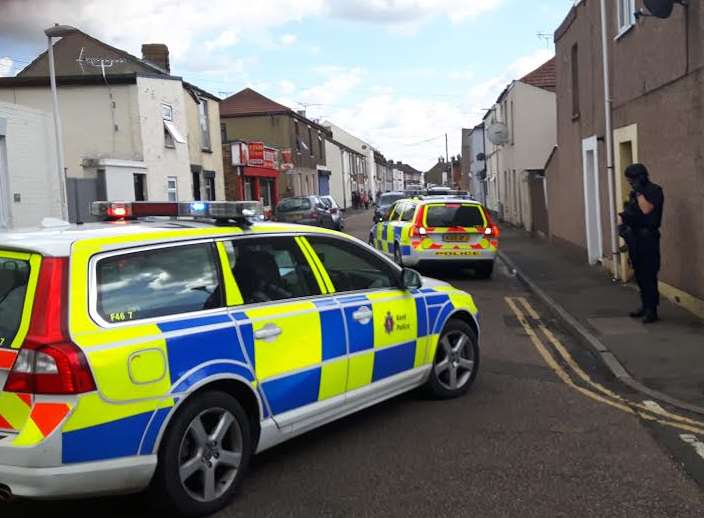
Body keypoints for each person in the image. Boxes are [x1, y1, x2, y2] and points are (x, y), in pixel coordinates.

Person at [619, 163, 664, 324]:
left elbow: (646, 210)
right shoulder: (634, 193)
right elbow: (633, 212)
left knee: (649, 274)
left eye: (631, 179)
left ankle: (652, 310)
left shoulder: (655, 191)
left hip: (649, 238)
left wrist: (638, 192)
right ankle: (645, 306)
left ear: (640, 177)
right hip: (636, 238)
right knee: (639, 275)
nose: (630, 183)